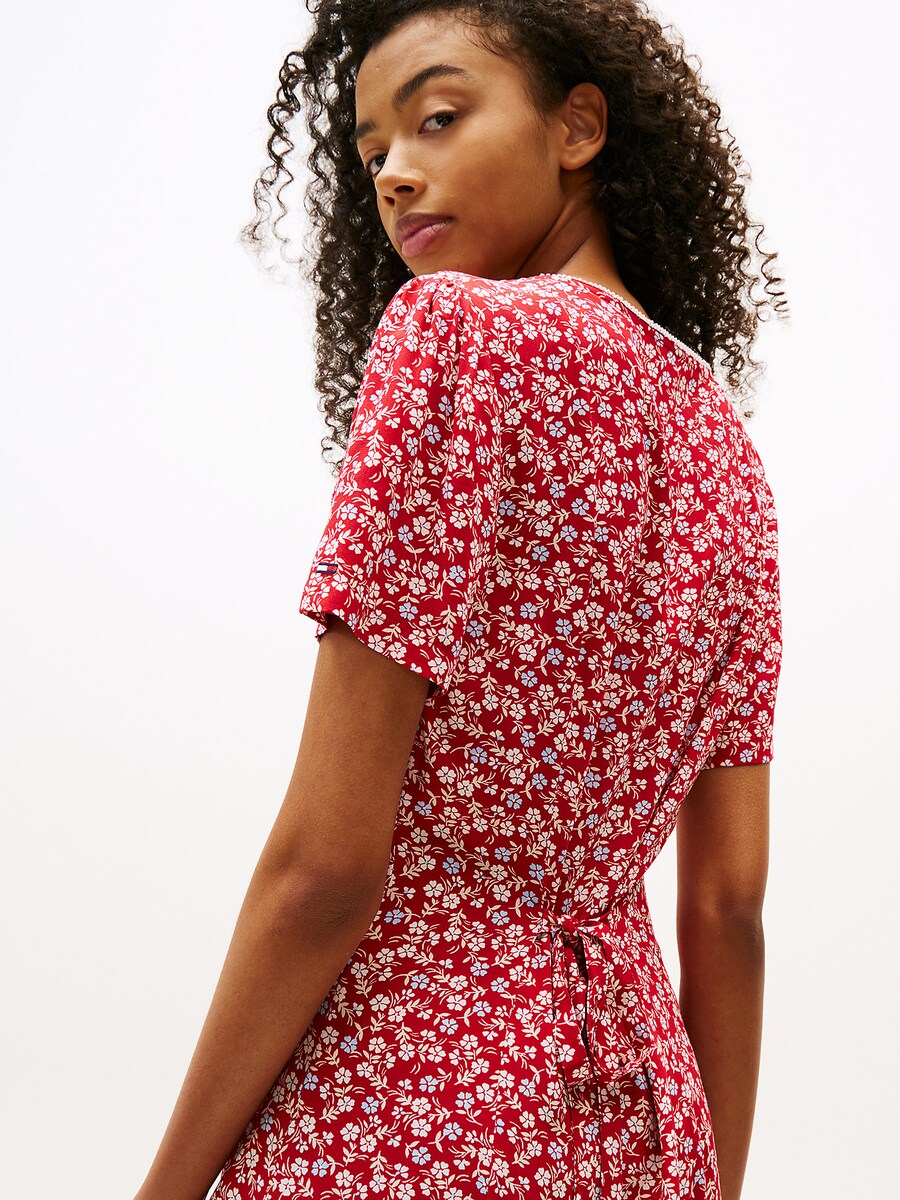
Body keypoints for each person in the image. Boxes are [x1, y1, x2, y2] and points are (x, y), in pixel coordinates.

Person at [134, 3, 788, 1199]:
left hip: (410, 1099)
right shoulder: (728, 454)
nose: (396, 173)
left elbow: (326, 868)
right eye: (373, 151)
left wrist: (164, 1188)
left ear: (578, 127)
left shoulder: (455, 338)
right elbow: (730, 906)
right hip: (640, 1120)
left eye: (437, 117)